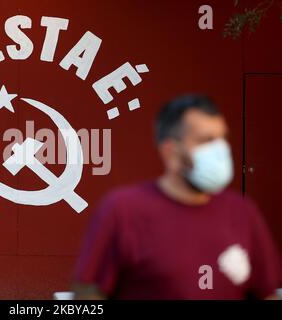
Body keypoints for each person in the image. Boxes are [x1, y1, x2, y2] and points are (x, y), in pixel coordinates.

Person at [72, 95, 282, 299]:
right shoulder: (123, 210)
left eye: (222, 138)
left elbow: (267, 292)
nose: (220, 150)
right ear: (170, 152)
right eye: (205, 140)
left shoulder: (242, 212)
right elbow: (88, 293)